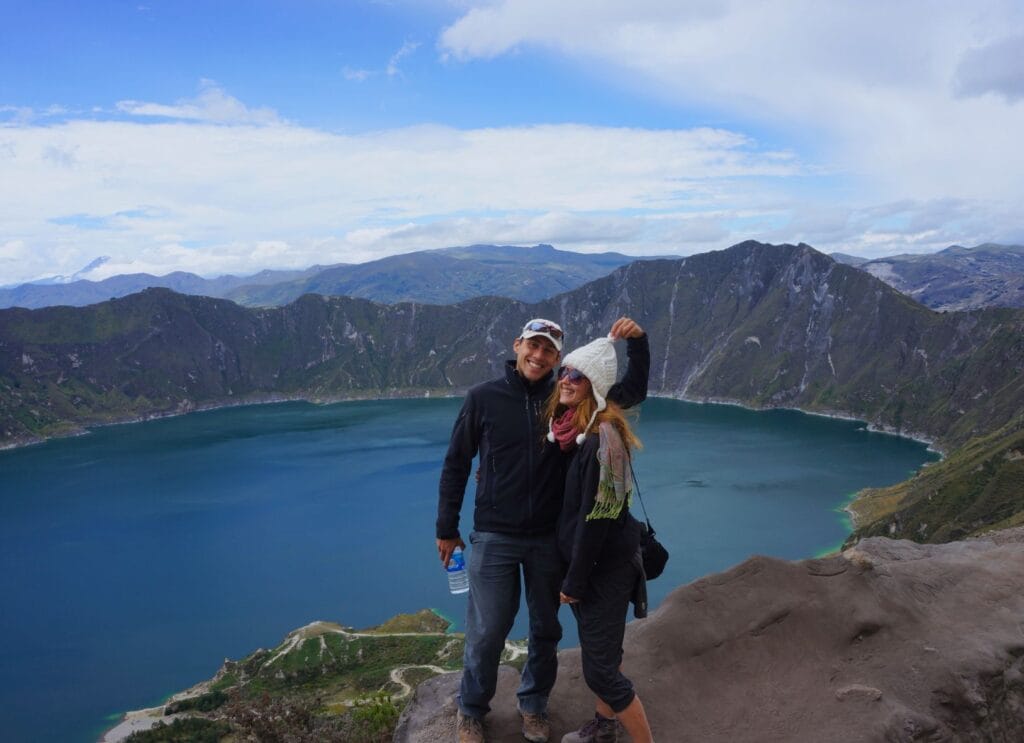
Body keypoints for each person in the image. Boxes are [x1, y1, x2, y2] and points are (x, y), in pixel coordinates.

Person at [436, 317, 648, 743]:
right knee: (488, 629)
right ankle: (472, 710)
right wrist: (446, 527)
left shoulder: (567, 397)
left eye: (549, 351)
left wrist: (639, 345)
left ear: (558, 359)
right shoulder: (483, 398)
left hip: (549, 537)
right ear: (517, 346)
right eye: (533, 346)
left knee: (545, 628)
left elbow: (629, 391)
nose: (539, 356)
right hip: (494, 533)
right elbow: (457, 462)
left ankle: (533, 706)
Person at [547, 328, 655, 743]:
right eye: (564, 371)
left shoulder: (599, 440)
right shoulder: (575, 425)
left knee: (600, 671)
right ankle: (605, 727)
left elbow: (598, 519)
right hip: (593, 564)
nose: (565, 380)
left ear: (594, 385)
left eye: (577, 375)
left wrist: (574, 581)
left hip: (602, 569)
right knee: (604, 656)